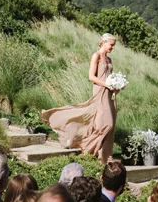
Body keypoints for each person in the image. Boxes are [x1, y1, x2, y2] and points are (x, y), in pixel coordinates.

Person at [42, 33, 119, 163]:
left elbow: (111, 77)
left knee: (110, 124)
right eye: (111, 45)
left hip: (110, 94)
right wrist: (107, 84)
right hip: (100, 91)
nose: (112, 48)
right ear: (104, 43)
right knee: (107, 124)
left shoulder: (109, 60)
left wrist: (116, 86)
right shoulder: (96, 56)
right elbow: (91, 76)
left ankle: (105, 157)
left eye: (113, 45)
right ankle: (87, 148)